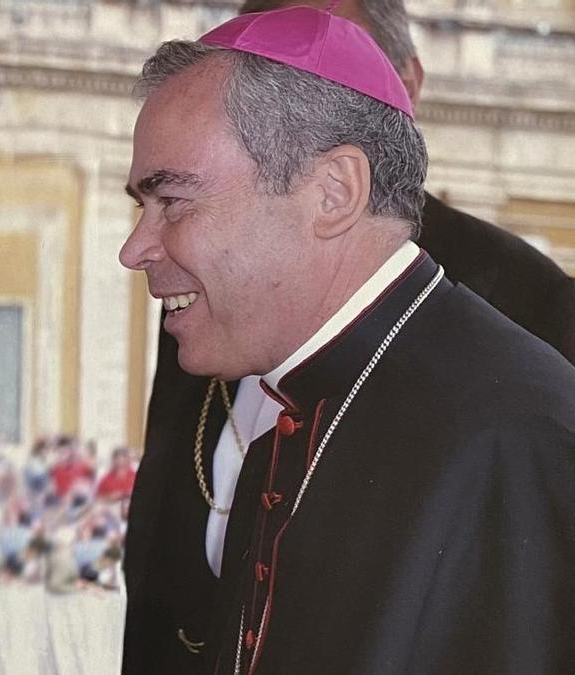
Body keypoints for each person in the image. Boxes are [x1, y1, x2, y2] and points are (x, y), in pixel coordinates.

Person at [118, 5, 575, 673]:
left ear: (334, 191)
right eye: (141, 205)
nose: (135, 249)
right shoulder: (287, 431)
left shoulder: (512, 443)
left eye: (174, 201)